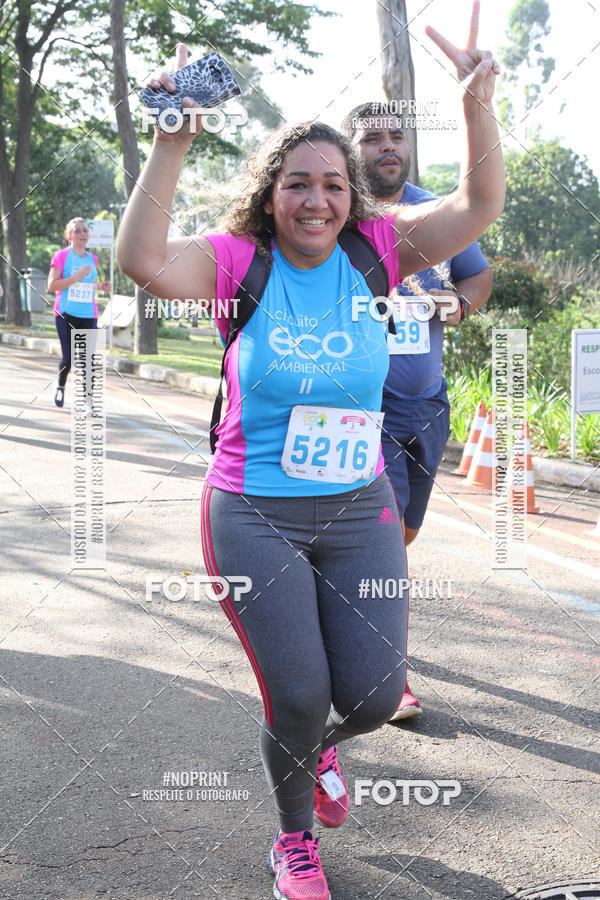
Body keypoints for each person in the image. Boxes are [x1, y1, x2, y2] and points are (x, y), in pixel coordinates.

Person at [117, 13, 503, 898]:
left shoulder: (380, 251)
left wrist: (478, 106)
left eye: (333, 183)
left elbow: (479, 208)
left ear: (352, 194)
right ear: (272, 190)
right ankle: (294, 840)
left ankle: (319, 755)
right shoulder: (234, 263)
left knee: (369, 700)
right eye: (299, 183)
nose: (318, 199)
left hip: (357, 507)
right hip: (252, 510)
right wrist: (172, 138)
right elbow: (142, 259)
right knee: (295, 695)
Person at [341, 90, 493, 722]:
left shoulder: (438, 213)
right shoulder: (339, 214)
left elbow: (477, 276)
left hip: (426, 403)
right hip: (360, 403)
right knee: (384, 541)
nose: (388, 147)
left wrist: (459, 303)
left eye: (396, 137)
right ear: (354, 148)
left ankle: (350, 606)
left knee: (402, 534)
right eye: (374, 139)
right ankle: (387, 670)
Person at [48, 217, 111, 407]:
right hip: (65, 312)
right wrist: (76, 276)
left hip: (88, 314)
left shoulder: (93, 259)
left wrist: (101, 286)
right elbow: (52, 285)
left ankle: (88, 401)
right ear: (69, 236)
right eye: (77, 231)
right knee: (68, 359)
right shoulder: (61, 256)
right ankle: (60, 387)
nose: (82, 234)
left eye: (85, 230)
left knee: (88, 359)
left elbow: (87, 284)